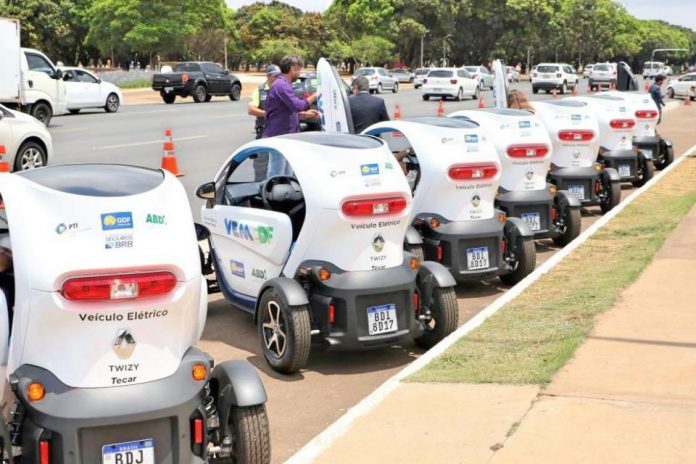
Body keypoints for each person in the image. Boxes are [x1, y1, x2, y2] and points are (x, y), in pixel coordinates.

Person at [262, 55, 319, 176]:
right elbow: (297, 105)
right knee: (277, 173)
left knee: (287, 173)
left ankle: (285, 194)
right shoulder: (281, 85)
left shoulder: (283, 84)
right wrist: (315, 95)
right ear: (293, 69)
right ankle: (273, 193)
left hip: (286, 135)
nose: (299, 73)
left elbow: (285, 111)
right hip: (279, 136)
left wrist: (303, 115)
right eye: (299, 70)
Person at [248, 65, 281, 180]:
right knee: (261, 169)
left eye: (279, 75)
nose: (278, 78)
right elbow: (251, 109)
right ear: (268, 76)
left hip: (281, 134)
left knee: (280, 170)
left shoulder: (283, 88)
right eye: (275, 76)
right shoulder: (260, 90)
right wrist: (267, 113)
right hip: (264, 134)